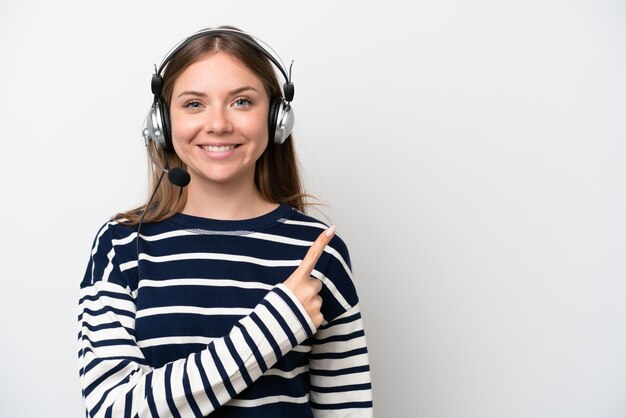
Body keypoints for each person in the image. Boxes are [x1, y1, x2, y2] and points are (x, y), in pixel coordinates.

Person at [78, 26, 373, 417]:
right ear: (163, 123)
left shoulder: (319, 253)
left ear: (276, 118)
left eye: (242, 102)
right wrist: (275, 327)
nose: (217, 124)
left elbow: (347, 408)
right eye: (194, 104)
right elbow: (111, 409)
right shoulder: (121, 246)